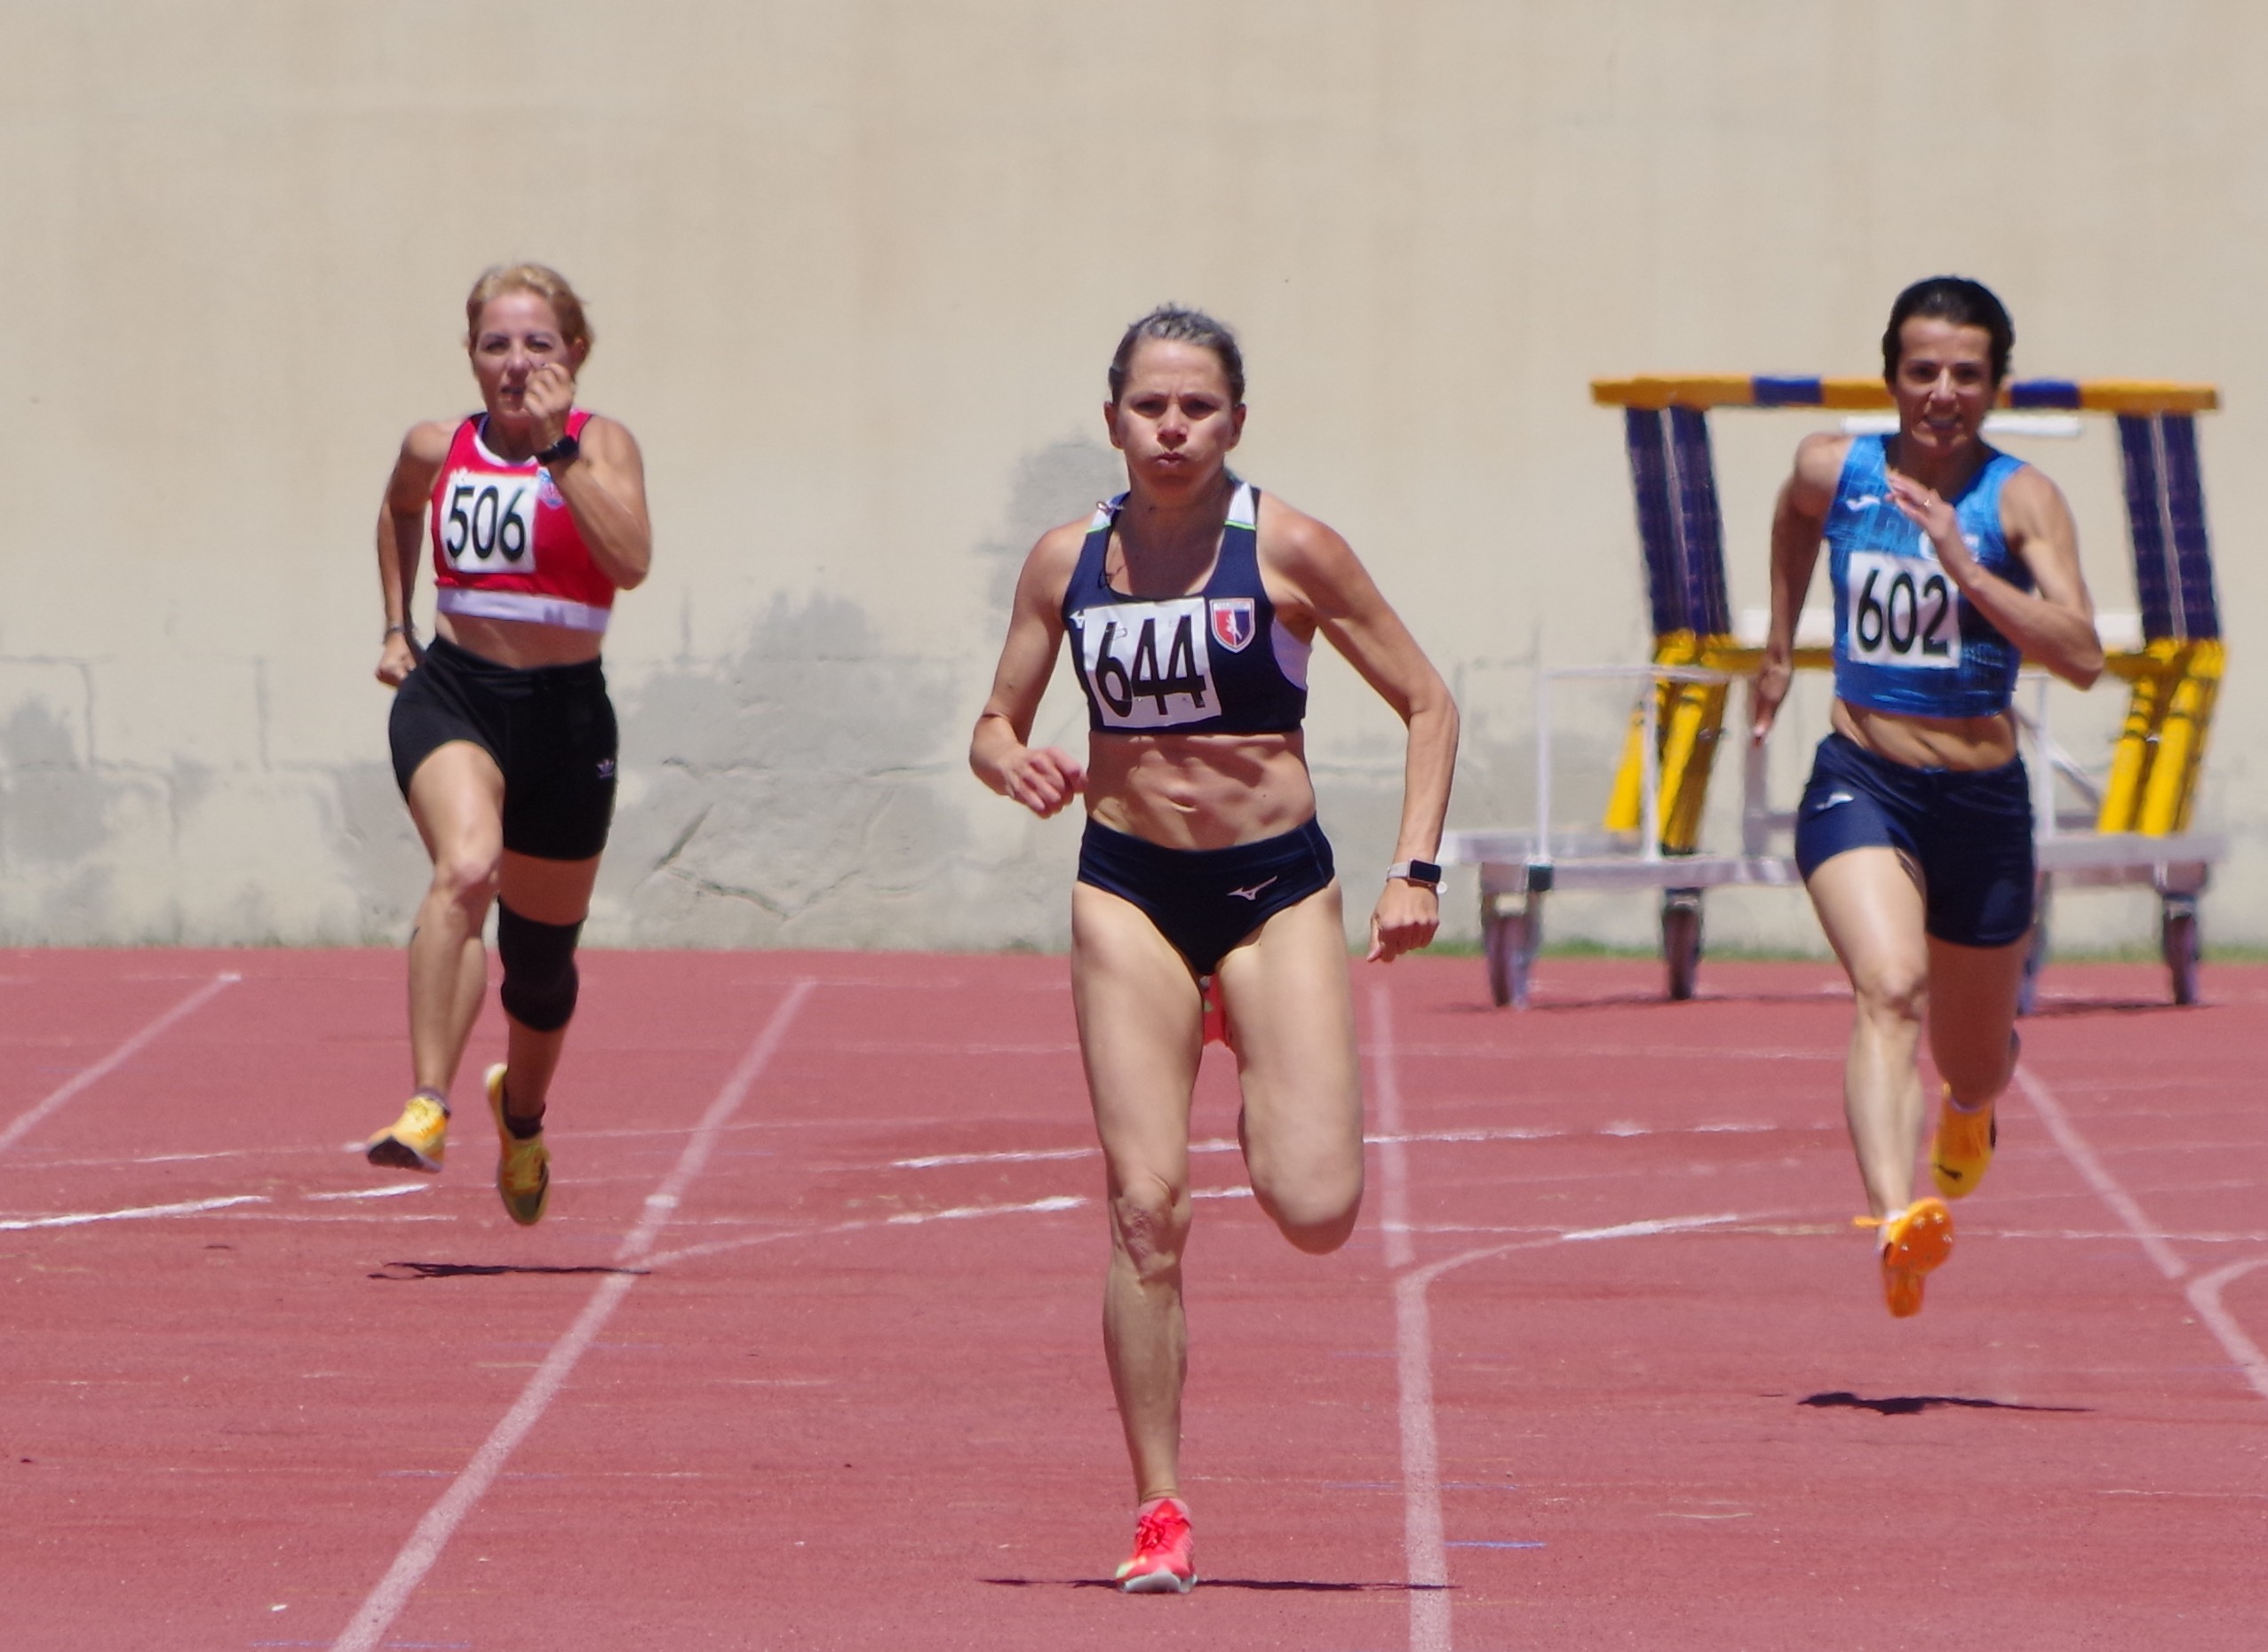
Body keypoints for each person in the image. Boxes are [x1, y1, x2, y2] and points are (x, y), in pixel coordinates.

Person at [970, 306, 1459, 1591]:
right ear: (1113, 419)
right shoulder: (1067, 560)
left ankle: (1245, 1022)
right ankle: (1159, 1506)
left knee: (1316, 1211)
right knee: (1145, 1210)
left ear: (1236, 421)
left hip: (1270, 890)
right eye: (1151, 407)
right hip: (1128, 889)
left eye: (1197, 408)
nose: (1173, 429)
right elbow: (993, 721)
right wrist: (1010, 760)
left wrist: (1413, 868)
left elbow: (1427, 701)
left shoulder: (1289, 548)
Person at [1752, 277, 2102, 1317]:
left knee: (1974, 1062)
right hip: (1863, 779)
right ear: (1892, 377)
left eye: (1965, 374)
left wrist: (1970, 571)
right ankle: (1897, 1220)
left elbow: (2083, 656)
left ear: (1995, 385)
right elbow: (1793, 516)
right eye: (1922, 372)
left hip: (1981, 805)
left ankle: (1970, 1108)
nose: (1942, 393)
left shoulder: (2021, 500)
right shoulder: (1837, 467)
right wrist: (1780, 647)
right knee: (1889, 986)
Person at [363, 264, 652, 1226]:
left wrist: (560, 454)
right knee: (465, 868)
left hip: (566, 720)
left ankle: (520, 1118)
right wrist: (396, 627)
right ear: (472, 357)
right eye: (496, 345)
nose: (517, 363)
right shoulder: (437, 446)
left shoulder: (602, 445)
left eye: (538, 344)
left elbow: (632, 562)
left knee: (539, 965)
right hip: (457, 697)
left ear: (575, 354)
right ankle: (426, 1105)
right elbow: (400, 506)